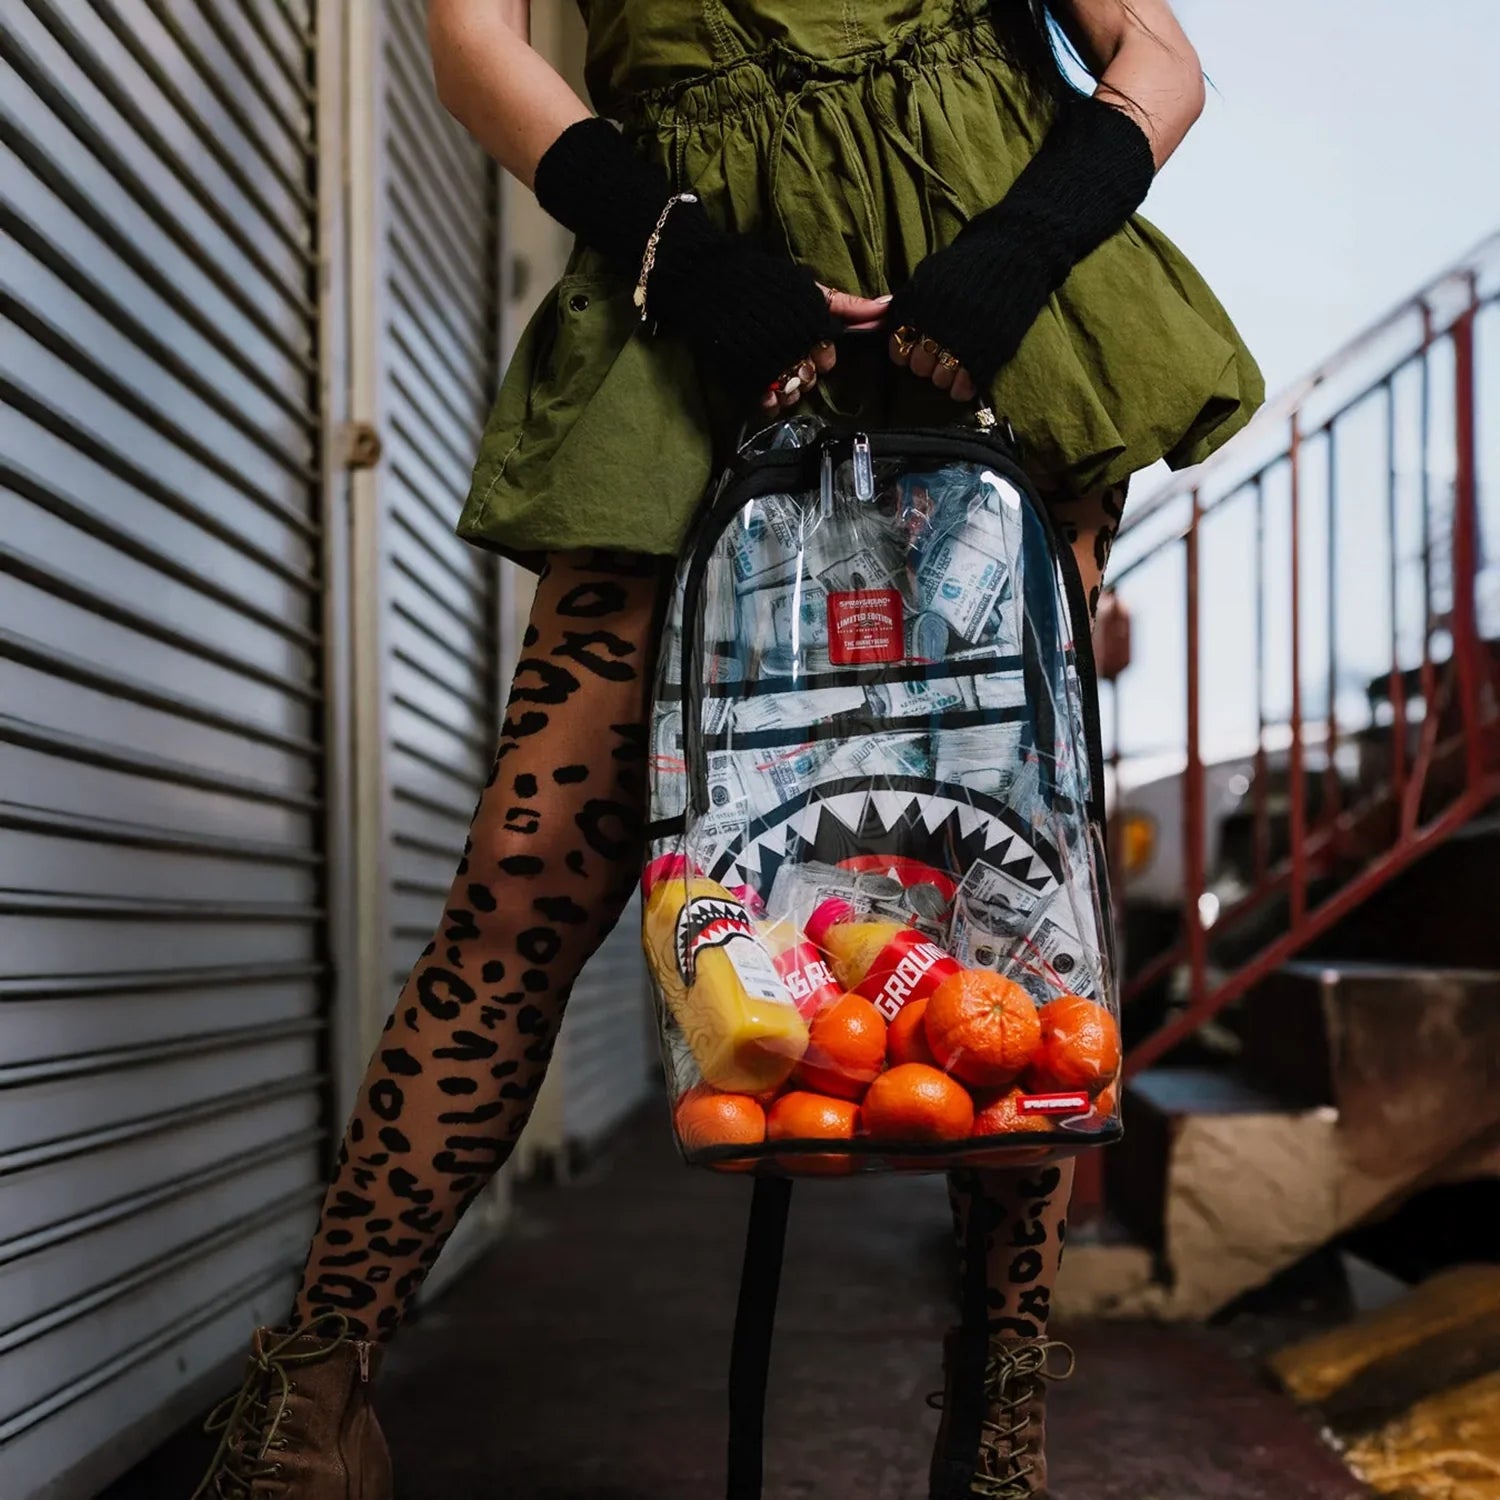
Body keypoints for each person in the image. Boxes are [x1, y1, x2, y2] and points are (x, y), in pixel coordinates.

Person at [191, 1, 1260, 1495]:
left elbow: (1158, 59)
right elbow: (471, 48)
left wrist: (1024, 245)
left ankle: (999, 1412)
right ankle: (311, 1406)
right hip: (686, 295)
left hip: (998, 287)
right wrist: (677, 254)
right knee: (528, 868)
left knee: (1011, 891)